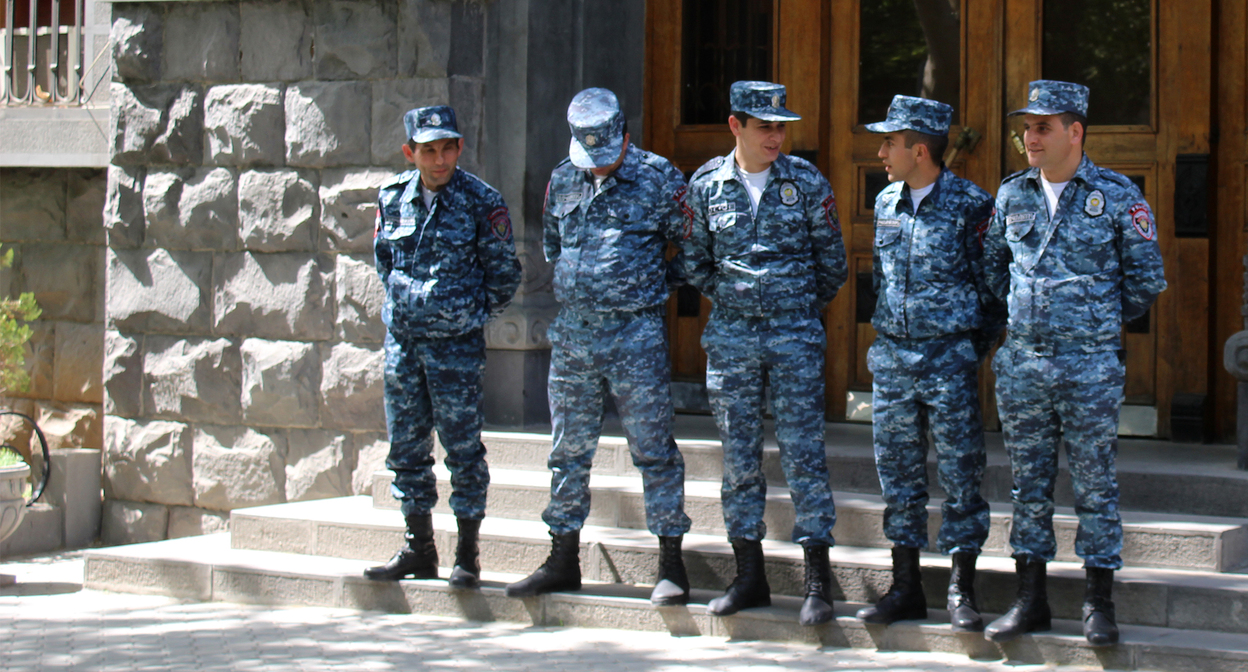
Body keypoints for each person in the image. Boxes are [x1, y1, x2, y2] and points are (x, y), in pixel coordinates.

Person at [982, 80, 1166, 646]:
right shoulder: (1012, 194)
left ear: (1075, 131)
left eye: (1043, 127)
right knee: (1028, 487)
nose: (1030, 138)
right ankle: (1030, 600)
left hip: (1089, 368)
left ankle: (1098, 605)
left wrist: (1090, 324)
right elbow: (994, 270)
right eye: (1027, 128)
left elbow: (1145, 281)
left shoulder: (1117, 195)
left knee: (1095, 485)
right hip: (1024, 366)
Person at [504, 88, 693, 606]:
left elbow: (694, 247)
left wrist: (652, 284)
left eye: (607, 153)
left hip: (635, 335)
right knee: (567, 451)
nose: (597, 164)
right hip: (574, 337)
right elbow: (554, 246)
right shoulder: (564, 177)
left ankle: (670, 563)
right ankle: (562, 558)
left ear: (625, 137)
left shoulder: (659, 178)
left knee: (653, 450)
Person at [684, 80, 847, 626]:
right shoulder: (706, 185)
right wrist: (738, 299)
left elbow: (832, 263)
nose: (775, 137)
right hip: (732, 341)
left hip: (795, 338)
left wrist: (790, 304)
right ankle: (747, 575)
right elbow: (695, 261)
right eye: (764, 127)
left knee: (804, 454)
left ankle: (817, 581)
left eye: (781, 127)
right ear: (736, 126)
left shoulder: (806, 182)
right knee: (739, 459)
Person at [855, 95, 1001, 632]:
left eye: (890, 143)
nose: (880, 153)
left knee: (961, 474)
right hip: (893, 359)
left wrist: (964, 348)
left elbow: (992, 290)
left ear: (920, 150)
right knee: (898, 476)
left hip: (948, 360)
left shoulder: (972, 205)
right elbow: (883, 278)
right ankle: (905, 587)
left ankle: (962, 589)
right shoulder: (885, 201)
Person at [365, 105, 523, 589]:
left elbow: (504, 274)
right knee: (406, 449)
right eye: (429, 151)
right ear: (409, 153)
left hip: (455, 349)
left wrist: (465, 316)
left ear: (459, 149)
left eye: (447, 149)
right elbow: (384, 261)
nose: (439, 160)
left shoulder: (481, 201)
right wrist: (409, 308)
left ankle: (467, 554)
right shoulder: (392, 198)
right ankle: (419, 547)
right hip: (404, 346)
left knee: (463, 451)